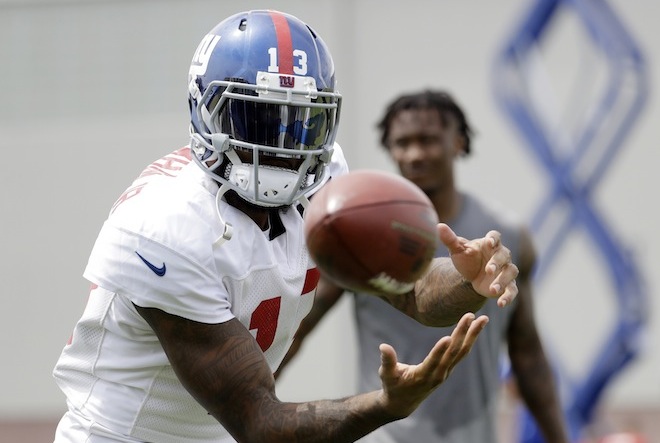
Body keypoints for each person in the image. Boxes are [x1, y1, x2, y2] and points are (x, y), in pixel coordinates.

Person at [51, 11, 521, 443]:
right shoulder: (165, 226)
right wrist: (386, 405)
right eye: (258, 116)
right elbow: (261, 424)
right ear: (205, 111)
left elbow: (410, 290)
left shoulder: (326, 183)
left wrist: (469, 279)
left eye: (299, 120)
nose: (278, 143)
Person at [277, 89, 569, 442]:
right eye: (402, 143)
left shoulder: (504, 236)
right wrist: (248, 410)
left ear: (458, 142)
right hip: (385, 433)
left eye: (428, 140)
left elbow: (528, 354)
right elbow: (295, 330)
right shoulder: (360, 238)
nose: (415, 154)